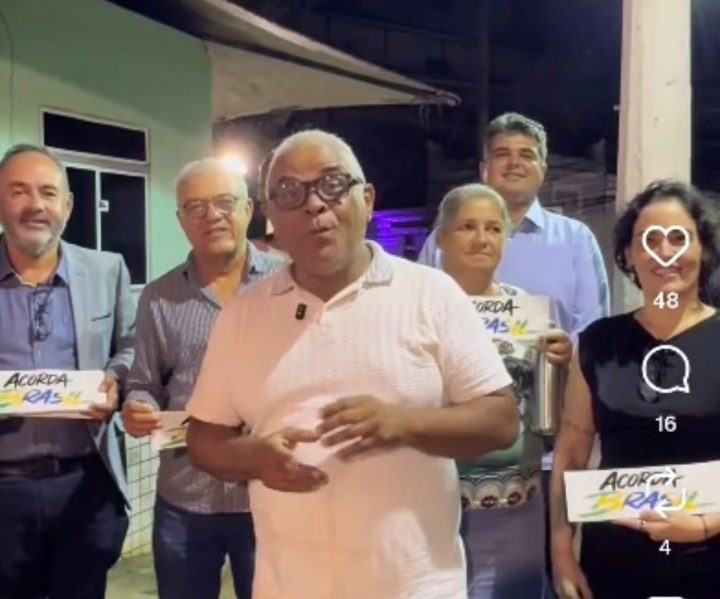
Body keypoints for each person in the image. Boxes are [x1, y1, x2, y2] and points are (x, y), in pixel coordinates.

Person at [185, 129, 520, 599]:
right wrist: (252, 458)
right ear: (270, 216)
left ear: (367, 199)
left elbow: (501, 421)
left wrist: (403, 424)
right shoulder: (243, 315)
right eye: (290, 192)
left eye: (332, 184)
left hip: (417, 587)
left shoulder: (431, 294)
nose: (314, 205)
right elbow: (203, 440)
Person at [121, 158, 284, 599]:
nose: (211, 215)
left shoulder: (288, 284)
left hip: (268, 490)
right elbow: (144, 383)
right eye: (195, 207)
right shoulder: (159, 296)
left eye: (224, 202)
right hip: (185, 496)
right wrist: (138, 407)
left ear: (249, 209)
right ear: (180, 220)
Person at [550, 180, 720, 599]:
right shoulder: (598, 342)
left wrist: (705, 524)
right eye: (650, 240)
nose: (665, 253)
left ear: (704, 250)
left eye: (679, 238)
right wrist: (561, 552)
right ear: (628, 254)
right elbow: (571, 453)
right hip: (615, 561)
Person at [0, 144, 135, 598]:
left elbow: (131, 346)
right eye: (18, 191)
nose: (35, 205)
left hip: (84, 486)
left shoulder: (107, 269)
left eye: (48, 192)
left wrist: (116, 379)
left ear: (68, 205)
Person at [435, 183, 571, 598]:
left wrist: (563, 363)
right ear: (441, 237)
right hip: (438, 504)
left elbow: (548, 414)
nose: (482, 239)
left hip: (519, 502)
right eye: (467, 227)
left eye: (494, 229)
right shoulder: (418, 306)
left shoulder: (524, 308)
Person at [418, 112, 609, 340]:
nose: (514, 163)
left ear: (543, 171)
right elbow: (418, 314)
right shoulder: (443, 239)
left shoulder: (576, 239)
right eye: (502, 154)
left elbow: (593, 330)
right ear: (484, 169)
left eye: (526, 155)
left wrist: (569, 354)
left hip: (553, 365)